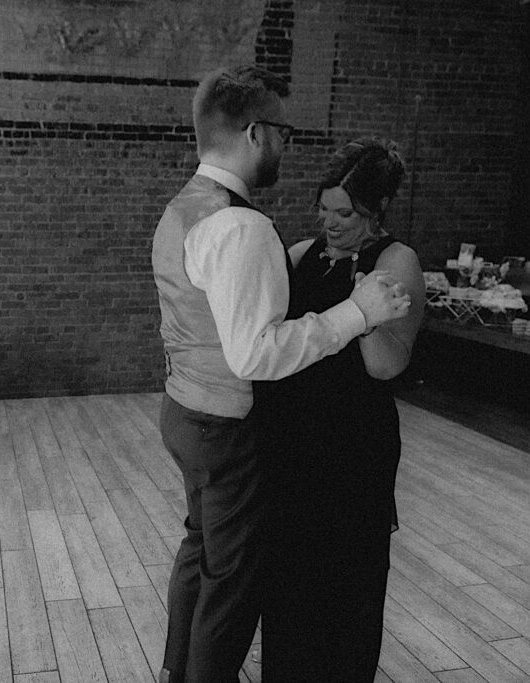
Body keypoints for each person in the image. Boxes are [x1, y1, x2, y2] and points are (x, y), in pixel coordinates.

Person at [151, 67, 412, 683]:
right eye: (281, 132)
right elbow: (253, 354)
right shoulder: (242, 226)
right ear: (253, 134)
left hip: (185, 409)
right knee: (232, 585)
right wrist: (356, 312)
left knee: (202, 556)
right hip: (225, 424)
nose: (284, 146)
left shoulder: (182, 207)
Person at [254, 136, 425, 681]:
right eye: (324, 210)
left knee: (348, 582)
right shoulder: (303, 255)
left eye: (345, 213)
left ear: (376, 211)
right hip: (292, 441)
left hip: (354, 446)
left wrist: (365, 311)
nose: (331, 222)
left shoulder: (397, 261)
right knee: (289, 580)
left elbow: (386, 365)